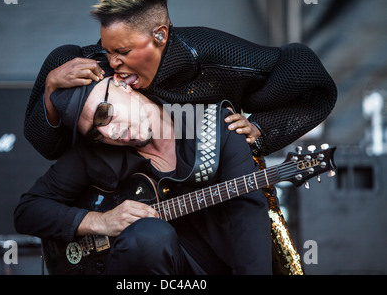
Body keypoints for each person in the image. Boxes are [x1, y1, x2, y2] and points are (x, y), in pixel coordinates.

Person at [23, 0, 337, 161]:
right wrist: (51, 91)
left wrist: (262, 132)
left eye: (123, 51)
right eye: (107, 49)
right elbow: (48, 149)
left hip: (206, 197)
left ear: (159, 36)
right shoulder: (87, 65)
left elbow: (307, 74)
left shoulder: (216, 57)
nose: (113, 62)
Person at [14, 77, 272, 274]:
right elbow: (28, 211)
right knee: (148, 236)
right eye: (94, 132)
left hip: (209, 268)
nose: (108, 133)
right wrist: (100, 221)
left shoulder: (214, 128)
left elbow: (248, 216)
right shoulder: (95, 154)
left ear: (122, 84)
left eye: (104, 114)